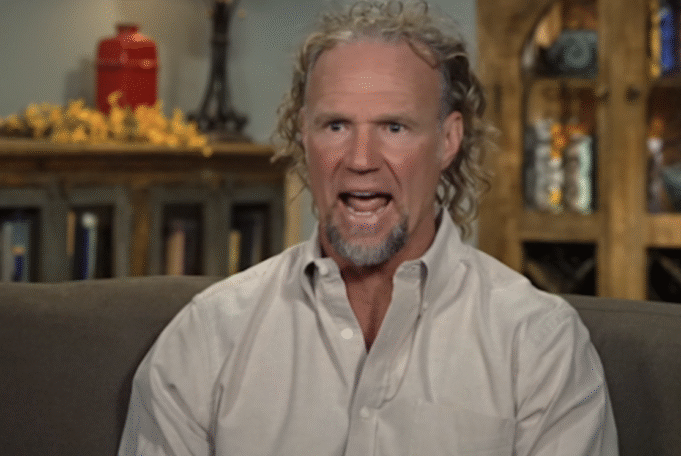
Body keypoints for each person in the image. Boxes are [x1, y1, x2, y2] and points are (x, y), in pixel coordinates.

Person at [118, 1, 618, 454]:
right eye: (336, 125)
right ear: (304, 134)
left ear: (447, 140)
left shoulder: (537, 345)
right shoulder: (208, 337)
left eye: (394, 127)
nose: (360, 160)